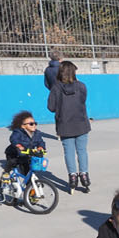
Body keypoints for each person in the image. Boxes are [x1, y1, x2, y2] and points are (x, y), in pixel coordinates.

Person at [47, 59, 94, 193]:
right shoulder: (81, 86)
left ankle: (72, 177)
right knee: (82, 151)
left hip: (65, 125)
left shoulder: (56, 88)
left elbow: (51, 107)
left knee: (69, 152)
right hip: (81, 123)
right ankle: (84, 175)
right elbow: (83, 100)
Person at [2, 111, 48, 190]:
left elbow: (41, 141)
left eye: (35, 123)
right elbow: (13, 139)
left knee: (27, 171)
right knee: (13, 162)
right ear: (23, 126)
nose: (34, 125)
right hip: (14, 153)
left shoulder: (37, 133)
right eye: (31, 124)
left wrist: (41, 147)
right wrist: (19, 146)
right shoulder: (18, 132)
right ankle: (6, 173)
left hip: (26, 154)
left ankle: (30, 190)